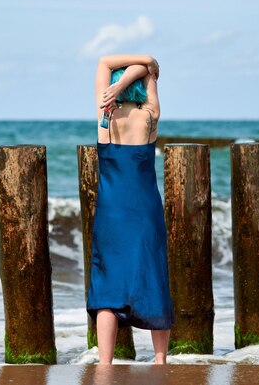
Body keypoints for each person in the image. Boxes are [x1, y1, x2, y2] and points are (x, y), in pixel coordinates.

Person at [86, 54, 175, 365]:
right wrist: (145, 66)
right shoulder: (149, 116)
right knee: (153, 278)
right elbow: (151, 69)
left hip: (111, 215)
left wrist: (116, 82)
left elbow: (103, 62)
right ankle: (160, 359)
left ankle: (104, 364)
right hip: (146, 213)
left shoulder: (104, 113)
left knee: (108, 285)